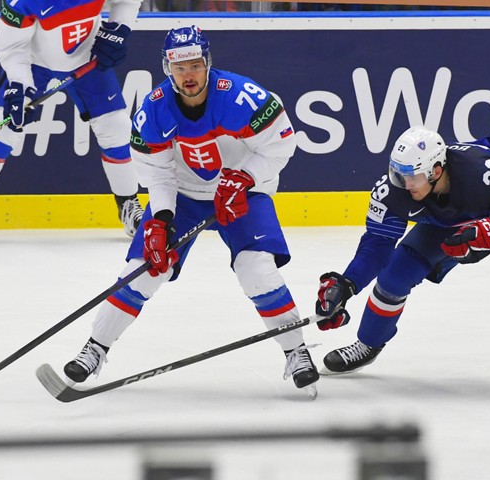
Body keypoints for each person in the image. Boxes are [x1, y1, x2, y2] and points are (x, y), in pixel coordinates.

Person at [63, 26, 320, 397]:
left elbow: (282, 145)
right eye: (179, 67)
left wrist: (245, 178)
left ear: (208, 63)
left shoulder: (240, 98)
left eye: (195, 65)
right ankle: (95, 348)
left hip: (243, 190)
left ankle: (296, 351)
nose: (188, 75)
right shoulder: (152, 110)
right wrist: (162, 219)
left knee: (256, 269)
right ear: (168, 68)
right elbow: (158, 172)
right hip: (183, 194)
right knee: (143, 270)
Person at [315, 126, 490, 393]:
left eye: (412, 177)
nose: (404, 185)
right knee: (396, 274)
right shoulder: (393, 190)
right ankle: (368, 343)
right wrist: (347, 283)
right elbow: (377, 246)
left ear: (437, 171)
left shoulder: (484, 171)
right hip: (449, 221)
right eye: (398, 174)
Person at [0, 0, 144, 239]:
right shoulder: (21, 2)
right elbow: (11, 49)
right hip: (34, 63)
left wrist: (119, 28)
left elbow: (128, 1)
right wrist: (20, 84)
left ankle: (128, 203)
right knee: (2, 127)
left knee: (116, 126)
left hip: (88, 57)